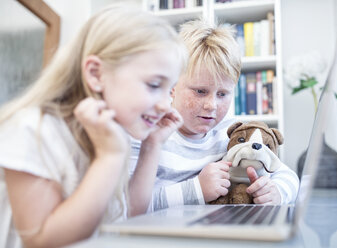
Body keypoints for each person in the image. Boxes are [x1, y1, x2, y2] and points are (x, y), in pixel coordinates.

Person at [0, 5, 187, 248]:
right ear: (96, 74)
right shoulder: (32, 129)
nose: (166, 105)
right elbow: (43, 241)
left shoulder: (109, 129)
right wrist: (109, 157)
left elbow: (128, 216)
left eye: (169, 90)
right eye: (153, 85)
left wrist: (153, 144)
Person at [129, 19, 299, 212]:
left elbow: (289, 176)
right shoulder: (146, 133)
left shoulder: (232, 132)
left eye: (222, 94)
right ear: (172, 85)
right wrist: (197, 189)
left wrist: (276, 192)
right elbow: (130, 206)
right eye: (200, 91)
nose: (212, 105)